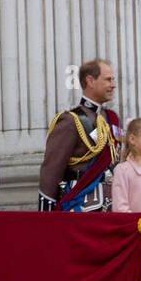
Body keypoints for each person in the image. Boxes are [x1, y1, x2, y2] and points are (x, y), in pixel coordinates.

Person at [39, 59, 122, 211]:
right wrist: (46, 216)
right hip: (83, 205)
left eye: (113, 80)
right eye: (108, 80)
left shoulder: (112, 118)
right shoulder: (71, 120)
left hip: (115, 204)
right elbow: (51, 171)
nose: (113, 85)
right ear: (90, 81)